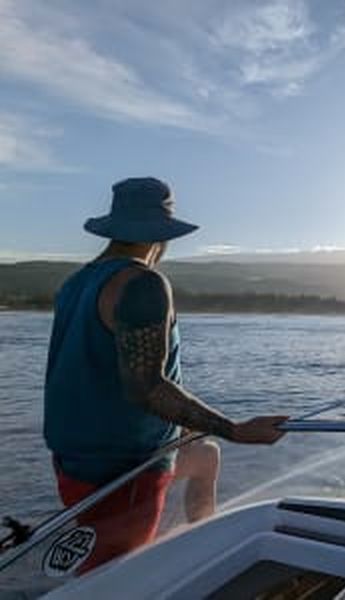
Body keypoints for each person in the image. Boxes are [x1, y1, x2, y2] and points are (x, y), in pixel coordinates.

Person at [43, 177, 287, 572]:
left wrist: (186, 428)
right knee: (119, 576)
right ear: (161, 235)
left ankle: (205, 552)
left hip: (74, 460)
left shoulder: (75, 283)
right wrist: (236, 428)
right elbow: (145, 387)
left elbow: (99, 367)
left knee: (205, 456)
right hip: (125, 468)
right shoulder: (143, 284)